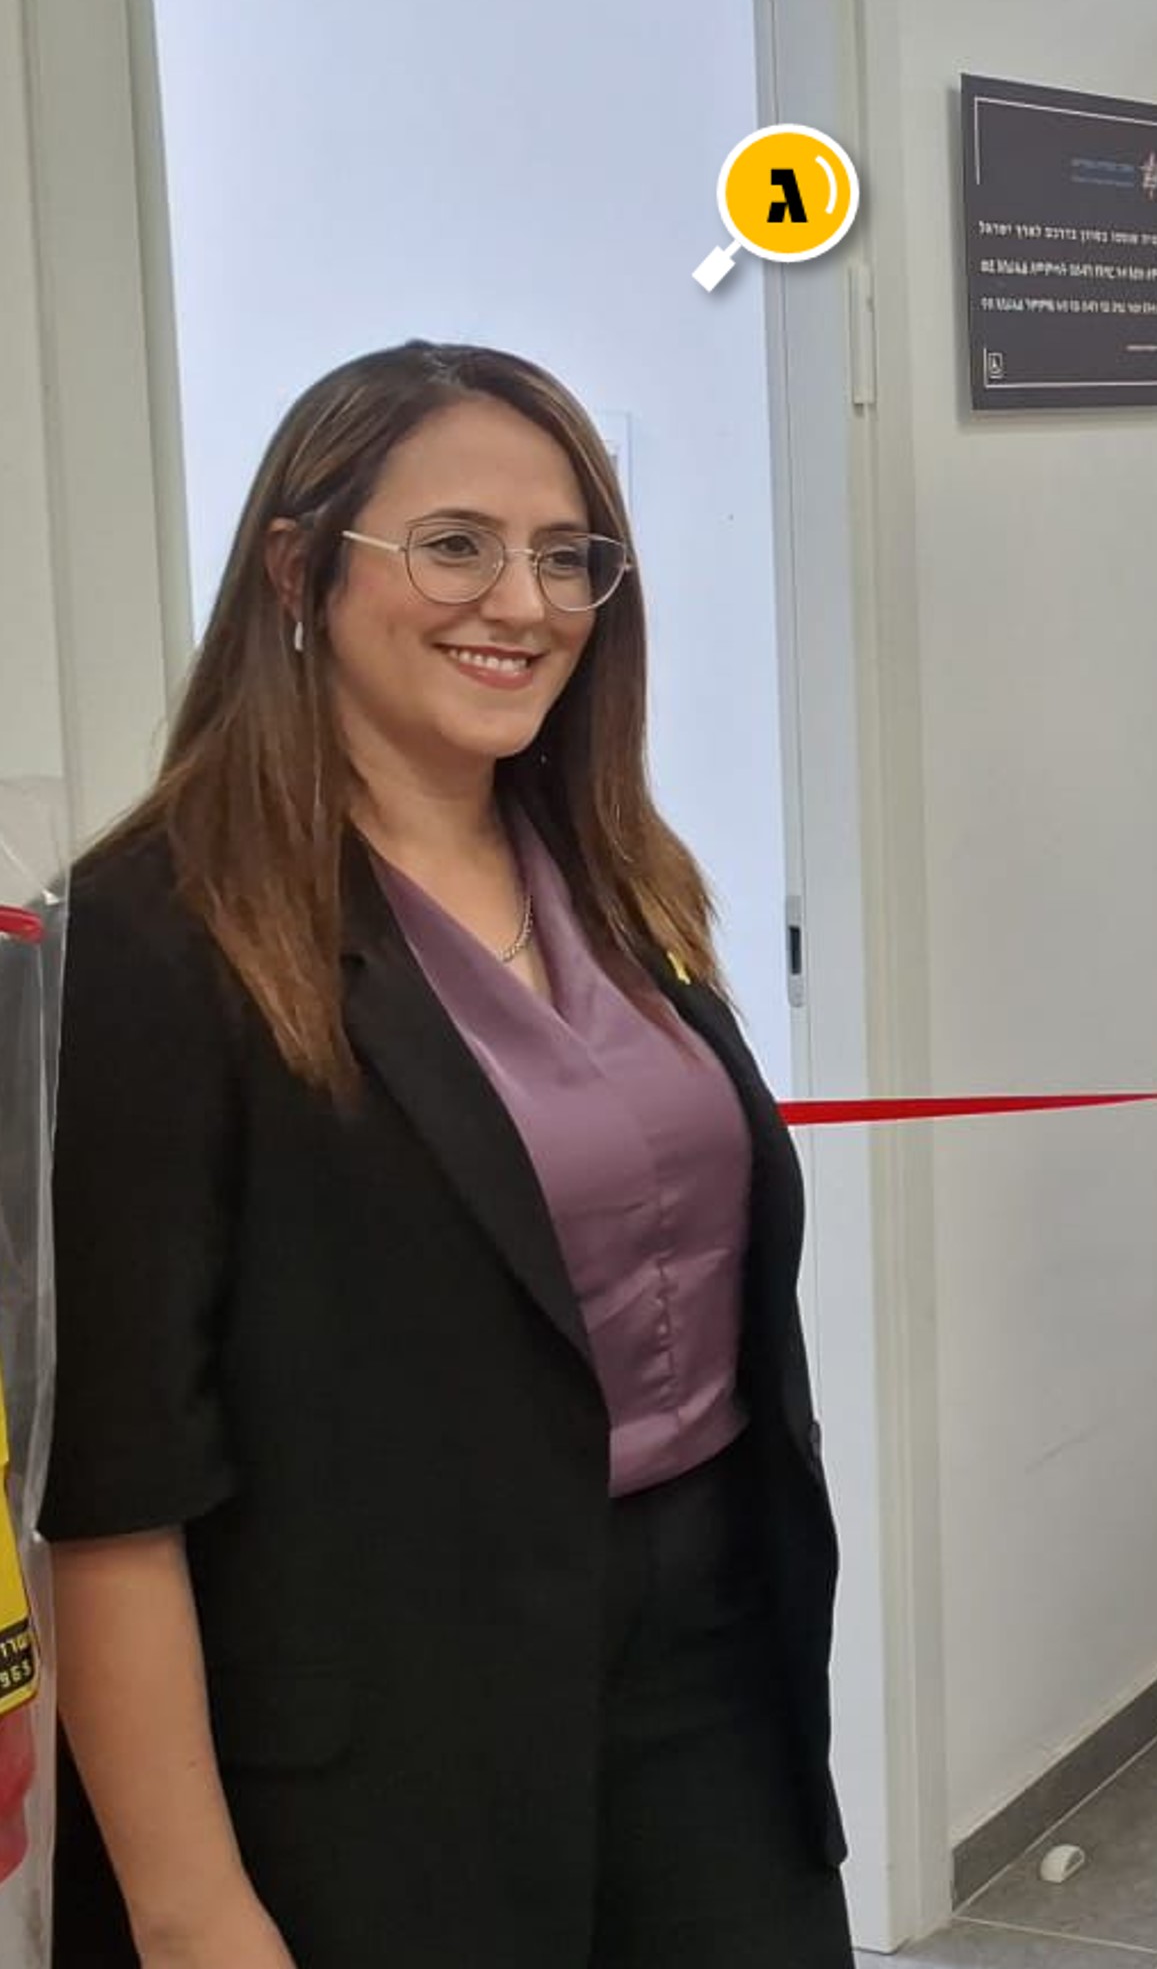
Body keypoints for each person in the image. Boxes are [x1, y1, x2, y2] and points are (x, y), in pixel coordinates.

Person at [42, 342, 848, 1968]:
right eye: (455, 545)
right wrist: (192, 1913)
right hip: (379, 1738)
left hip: (708, 1673)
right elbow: (115, 1484)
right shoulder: (162, 933)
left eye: (567, 556)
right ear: (298, 569)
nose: (524, 604)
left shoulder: (616, 870)